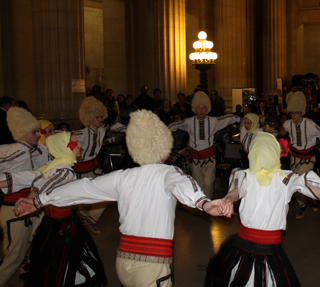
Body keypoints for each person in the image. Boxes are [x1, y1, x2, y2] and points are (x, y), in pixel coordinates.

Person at [14, 110, 231, 287]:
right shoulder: (168, 172)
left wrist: (37, 201)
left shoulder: (121, 176)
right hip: (152, 264)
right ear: (163, 144)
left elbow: (79, 188)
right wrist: (204, 203)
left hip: (123, 262)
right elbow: (185, 185)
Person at [204, 132, 320, 287]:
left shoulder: (285, 179)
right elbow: (236, 191)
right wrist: (228, 199)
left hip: (269, 248)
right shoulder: (246, 176)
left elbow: (309, 186)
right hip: (243, 244)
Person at [2, 132, 107, 287]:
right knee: (65, 259)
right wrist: (30, 203)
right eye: (75, 143)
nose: (80, 146)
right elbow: (44, 185)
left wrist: (28, 201)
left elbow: (34, 179)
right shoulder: (64, 170)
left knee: (54, 259)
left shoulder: (55, 164)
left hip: (55, 222)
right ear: (63, 148)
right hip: (62, 225)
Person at [0, 107, 51, 287]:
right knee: (14, 256)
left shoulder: (31, 150)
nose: (38, 135)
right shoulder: (18, 150)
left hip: (30, 207)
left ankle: (28, 268)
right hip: (15, 210)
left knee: (35, 242)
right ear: (23, 134)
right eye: (34, 132)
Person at [168, 91, 240, 199]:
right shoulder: (189, 122)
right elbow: (177, 125)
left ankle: (207, 206)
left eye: (203, 108)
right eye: (198, 108)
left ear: (207, 109)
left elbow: (227, 119)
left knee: (208, 183)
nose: (201, 110)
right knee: (198, 185)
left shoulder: (213, 121)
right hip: (195, 160)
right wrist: (163, 130)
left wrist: (240, 119)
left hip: (209, 159)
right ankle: (201, 207)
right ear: (194, 109)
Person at [74, 96, 126, 234]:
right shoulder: (82, 133)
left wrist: (134, 129)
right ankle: (84, 220)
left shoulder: (102, 128)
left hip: (94, 168)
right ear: (89, 118)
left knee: (107, 192)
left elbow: (119, 127)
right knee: (82, 199)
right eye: (97, 117)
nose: (100, 120)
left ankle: (88, 220)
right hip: (82, 170)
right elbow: (65, 137)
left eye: (100, 117)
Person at [283, 92, 320, 218]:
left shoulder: (311, 124)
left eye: (296, 113)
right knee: (299, 184)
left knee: (299, 181)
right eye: (292, 113)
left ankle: (306, 205)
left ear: (302, 113)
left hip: (308, 159)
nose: (294, 116)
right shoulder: (287, 124)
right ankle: (310, 201)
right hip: (294, 158)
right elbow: (283, 133)